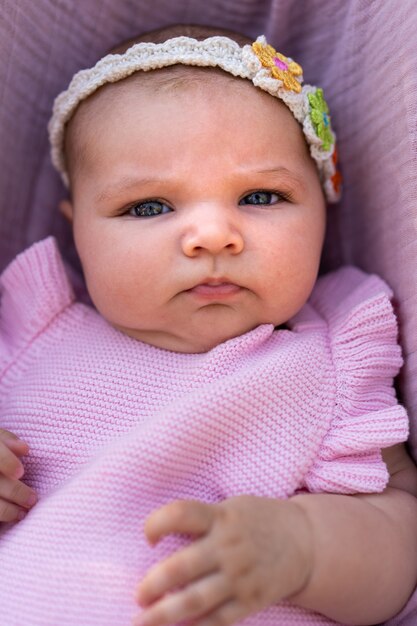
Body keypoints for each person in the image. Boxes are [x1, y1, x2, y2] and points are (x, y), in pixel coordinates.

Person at [0, 22, 417, 626]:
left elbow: (402, 543)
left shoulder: (330, 363)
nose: (212, 235)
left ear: (323, 209)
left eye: (260, 197)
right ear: (76, 232)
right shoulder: (28, 339)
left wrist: (303, 547)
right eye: (149, 207)